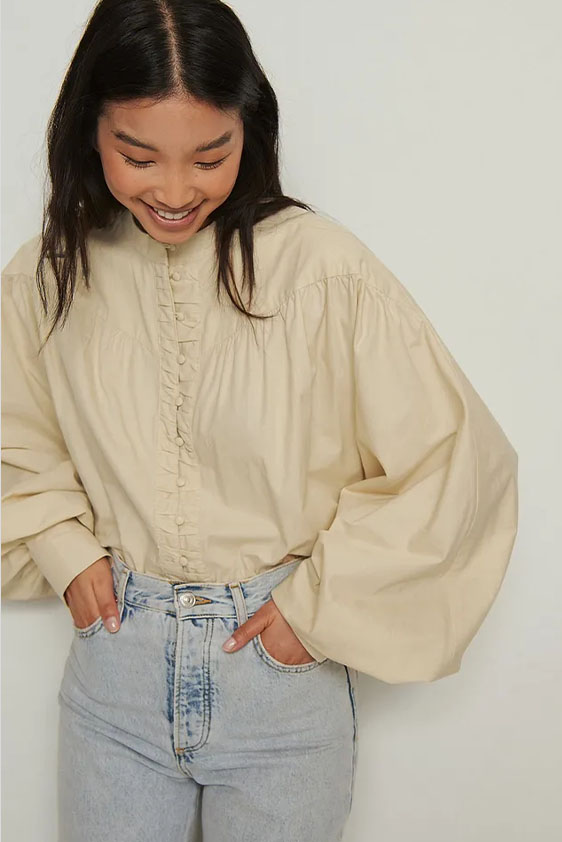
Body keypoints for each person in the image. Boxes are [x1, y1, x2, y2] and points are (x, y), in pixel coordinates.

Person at [1, 0, 519, 840]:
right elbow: (14, 432)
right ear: (89, 131)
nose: (176, 192)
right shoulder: (49, 276)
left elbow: (452, 461)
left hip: (279, 687)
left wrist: (312, 614)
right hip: (115, 675)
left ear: (250, 130)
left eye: (211, 156)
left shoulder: (322, 269)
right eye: (139, 156)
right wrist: (64, 550)